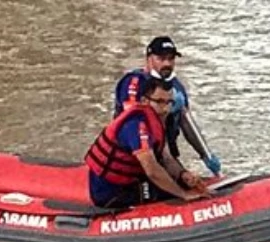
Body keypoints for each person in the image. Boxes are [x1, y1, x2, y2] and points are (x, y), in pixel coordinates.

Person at [85, 77, 211, 208]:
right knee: (168, 192)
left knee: (176, 183)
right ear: (145, 101)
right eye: (160, 102)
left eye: (169, 102)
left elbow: (167, 158)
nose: (165, 109)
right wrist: (183, 194)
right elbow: (151, 169)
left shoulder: (157, 122)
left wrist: (182, 175)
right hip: (111, 191)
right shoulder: (137, 125)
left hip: (130, 181)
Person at [113, 36, 222, 177]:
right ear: (149, 58)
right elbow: (132, 118)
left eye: (171, 59)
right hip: (138, 156)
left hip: (167, 157)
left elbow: (187, 124)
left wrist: (206, 156)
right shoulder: (133, 83)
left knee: (184, 178)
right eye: (161, 58)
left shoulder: (176, 87)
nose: (167, 64)